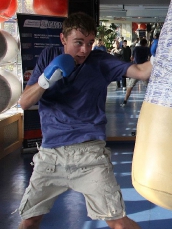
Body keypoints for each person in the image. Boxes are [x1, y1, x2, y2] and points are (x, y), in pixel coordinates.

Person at [17, 12, 152, 229]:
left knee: (117, 220)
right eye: (78, 43)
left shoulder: (100, 61)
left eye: (90, 43)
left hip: (89, 154)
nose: (84, 50)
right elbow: (24, 102)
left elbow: (141, 71)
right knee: (30, 219)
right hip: (51, 155)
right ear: (63, 39)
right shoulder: (49, 56)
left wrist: (167, 54)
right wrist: (45, 81)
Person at [120, 38, 151, 106]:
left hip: (136, 70)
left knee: (130, 86)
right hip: (144, 71)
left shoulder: (136, 48)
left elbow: (132, 57)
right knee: (149, 87)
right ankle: (152, 102)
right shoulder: (147, 49)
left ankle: (125, 101)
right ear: (146, 43)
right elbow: (150, 58)